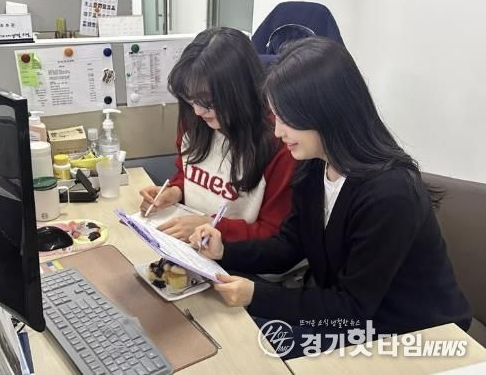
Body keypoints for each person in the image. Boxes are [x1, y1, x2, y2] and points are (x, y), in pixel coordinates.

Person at [189, 36, 471, 357]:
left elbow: (352, 310)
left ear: (326, 114)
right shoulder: (314, 164)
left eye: (286, 119)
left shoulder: (390, 194)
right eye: (275, 117)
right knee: (222, 328)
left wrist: (257, 295)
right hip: (352, 317)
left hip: (415, 337)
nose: (278, 132)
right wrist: (224, 250)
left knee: (248, 348)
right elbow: (288, 245)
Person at [139, 27, 295, 242]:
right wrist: (175, 191)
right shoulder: (196, 120)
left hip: (238, 257)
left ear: (240, 92)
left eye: (208, 101)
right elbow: (189, 172)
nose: (197, 110)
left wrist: (212, 226)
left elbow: (275, 235)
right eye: (190, 98)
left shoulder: (281, 143)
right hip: (192, 247)